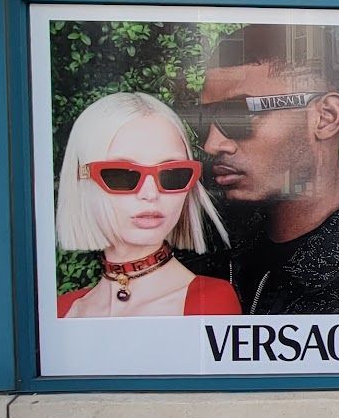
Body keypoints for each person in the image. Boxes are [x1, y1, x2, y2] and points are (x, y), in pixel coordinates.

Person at [181, 47, 339, 315]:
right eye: (202, 120)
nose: (212, 144)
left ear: (325, 117)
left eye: (239, 115)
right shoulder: (207, 249)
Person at [55, 92, 239, 318]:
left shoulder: (210, 302)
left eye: (173, 174)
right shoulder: (61, 310)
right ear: (80, 180)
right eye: (121, 175)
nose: (151, 194)